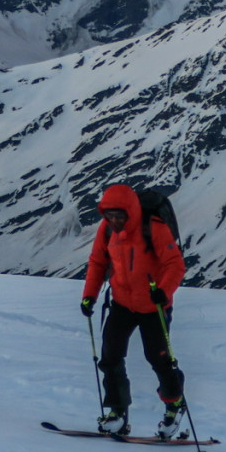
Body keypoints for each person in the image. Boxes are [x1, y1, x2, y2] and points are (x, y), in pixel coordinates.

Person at [79, 183, 188, 438]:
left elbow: (175, 264)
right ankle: (118, 411)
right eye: (110, 215)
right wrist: (89, 296)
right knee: (110, 357)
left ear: (130, 211)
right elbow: (97, 262)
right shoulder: (107, 230)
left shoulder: (154, 228)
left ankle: (174, 405)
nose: (114, 221)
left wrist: (163, 291)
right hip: (122, 302)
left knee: (159, 359)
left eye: (119, 216)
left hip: (153, 306)